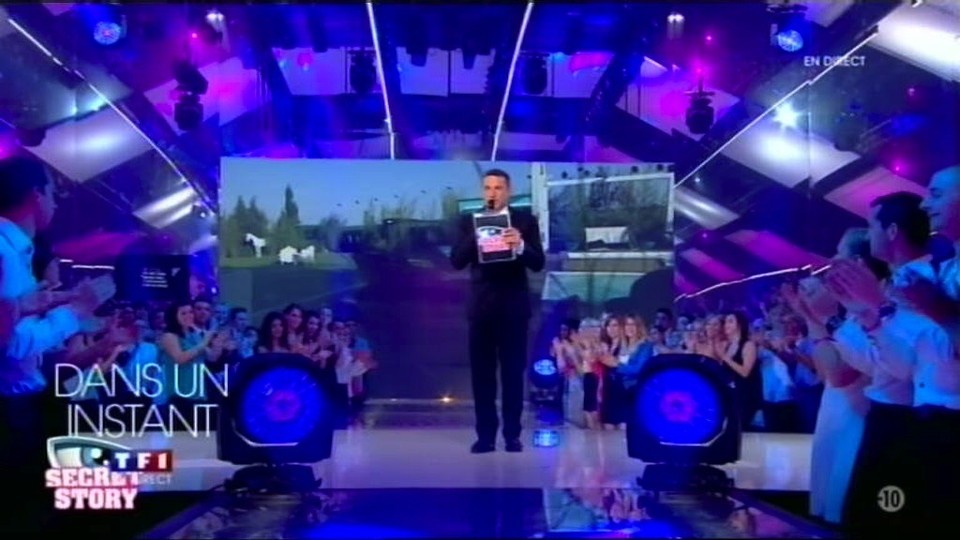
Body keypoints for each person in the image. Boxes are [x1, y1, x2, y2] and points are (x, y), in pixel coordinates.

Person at [450, 169, 545, 453]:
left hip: (513, 309)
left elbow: (538, 263)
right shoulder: (468, 222)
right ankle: (485, 436)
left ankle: (512, 435)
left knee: (513, 375)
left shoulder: (525, 221)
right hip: (481, 310)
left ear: (508, 191)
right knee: (482, 376)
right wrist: (476, 235)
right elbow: (456, 261)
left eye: (498, 187)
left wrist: (521, 245)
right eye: (488, 188)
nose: (492, 193)